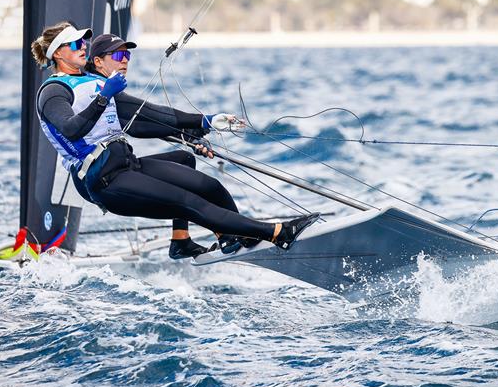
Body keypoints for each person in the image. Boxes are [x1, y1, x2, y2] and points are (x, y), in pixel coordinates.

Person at [30, 21, 318, 259]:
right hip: (101, 178)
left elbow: (148, 116)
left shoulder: (92, 82)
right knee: (186, 202)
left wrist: (202, 122)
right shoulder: (54, 90)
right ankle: (276, 233)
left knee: (207, 184)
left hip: (126, 164)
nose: (82, 47)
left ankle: (201, 239)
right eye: (75, 44)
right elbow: (70, 129)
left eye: (83, 43)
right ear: (57, 54)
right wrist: (105, 97)